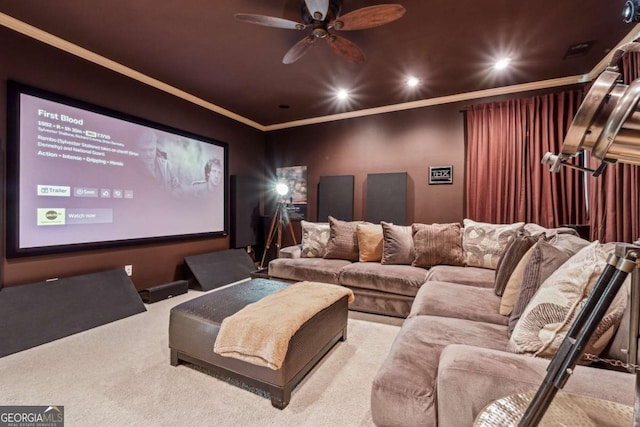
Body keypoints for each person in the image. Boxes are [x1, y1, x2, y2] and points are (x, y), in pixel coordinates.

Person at [133, 128, 181, 193]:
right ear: (136, 149)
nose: (148, 154)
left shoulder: (165, 164)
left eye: (151, 149)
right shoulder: (131, 168)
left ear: (156, 147)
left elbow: (177, 186)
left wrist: (174, 195)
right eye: (143, 150)